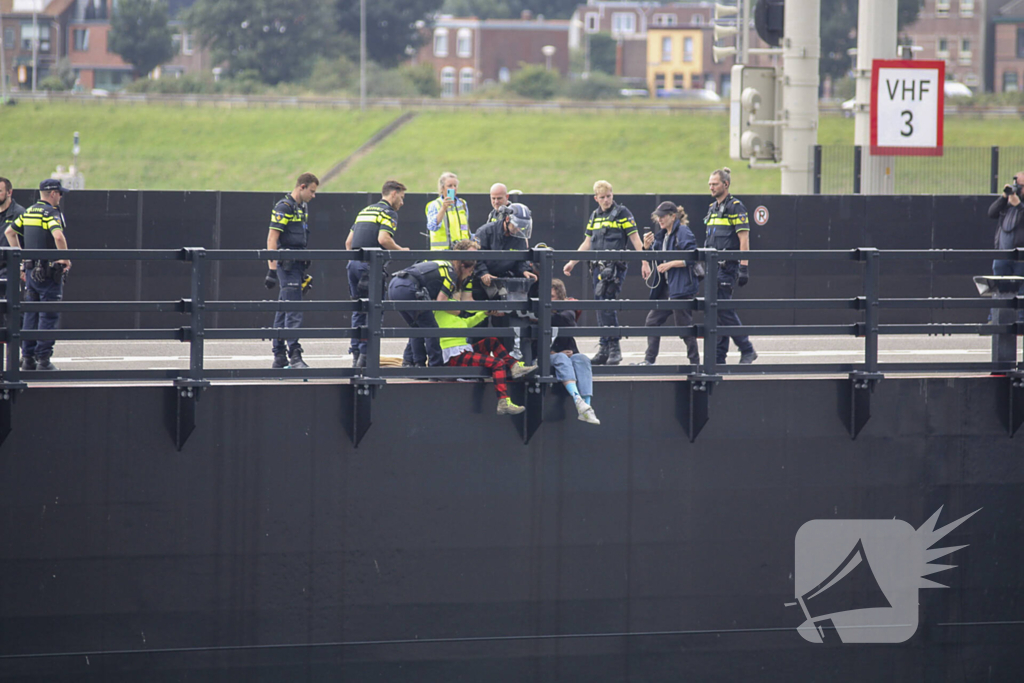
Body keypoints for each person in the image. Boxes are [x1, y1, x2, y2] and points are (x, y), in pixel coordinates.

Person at [563, 180, 643, 366]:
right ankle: (604, 348)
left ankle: (614, 348)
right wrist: (572, 262)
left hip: (614, 267)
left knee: (607, 305)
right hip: (598, 268)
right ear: (596, 198)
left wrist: (645, 261)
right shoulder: (594, 215)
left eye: (609, 196)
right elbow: (587, 242)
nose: (606, 200)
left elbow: (634, 238)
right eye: (602, 197)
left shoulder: (623, 213)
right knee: (600, 306)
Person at [347, 179, 409, 368]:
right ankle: (366, 357)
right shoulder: (388, 212)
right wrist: (401, 251)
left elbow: (349, 243)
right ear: (393, 193)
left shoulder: (365, 211)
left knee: (358, 310)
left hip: (353, 265)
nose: (402, 202)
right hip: (369, 268)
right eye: (402, 197)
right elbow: (383, 238)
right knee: (374, 312)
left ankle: (356, 354)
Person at [10, 179, 71, 371]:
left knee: (30, 315)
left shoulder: (28, 211)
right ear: (53, 193)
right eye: (60, 193)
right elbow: (58, 236)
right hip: (49, 273)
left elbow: (10, 232)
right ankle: (43, 359)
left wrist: (21, 259)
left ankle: (27, 358)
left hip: (30, 272)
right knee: (48, 316)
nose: (61, 196)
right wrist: (65, 259)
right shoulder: (51, 213)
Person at [389, 239, 477, 368]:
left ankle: (414, 364)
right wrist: (461, 312)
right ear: (463, 266)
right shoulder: (451, 272)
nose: (469, 275)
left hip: (394, 285)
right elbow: (442, 302)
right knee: (432, 330)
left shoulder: (441, 262)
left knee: (417, 327)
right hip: (410, 288)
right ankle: (436, 368)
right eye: (470, 272)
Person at [434, 307, 537, 416]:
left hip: (463, 349)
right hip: (453, 355)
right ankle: (503, 402)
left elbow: (465, 323)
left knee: (492, 341)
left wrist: (484, 313)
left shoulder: (453, 311)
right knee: (498, 363)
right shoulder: (440, 307)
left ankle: (514, 366)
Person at [637, 201, 701, 367]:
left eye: (663, 216)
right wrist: (646, 247)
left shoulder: (683, 232)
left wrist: (670, 264)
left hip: (681, 288)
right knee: (652, 321)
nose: (660, 219)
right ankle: (649, 360)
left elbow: (692, 257)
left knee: (684, 328)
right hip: (668, 288)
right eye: (658, 216)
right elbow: (654, 256)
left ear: (673, 216)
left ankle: (695, 363)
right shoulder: (664, 235)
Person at [265, 172, 318, 369]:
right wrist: (271, 270)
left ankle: (279, 355)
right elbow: (272, 238)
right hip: (286, 264)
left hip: (297, 264)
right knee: (293, 309)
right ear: (302, 187)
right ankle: (294, 354)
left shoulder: (302, 207)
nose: (314, 195)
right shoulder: (284, 207)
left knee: (283, 308)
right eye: (312, 191)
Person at [704, 167, 757, 365]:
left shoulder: (736, 207)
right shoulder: (713, 208)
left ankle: (747, 348)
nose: (711, 187)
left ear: (725, 184)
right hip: (713, 269)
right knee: (716, 313)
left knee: (723, 310)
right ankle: (718, 358)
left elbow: (744, 238)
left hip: (727, 268)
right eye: (709, 184)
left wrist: (744, 266)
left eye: (715, 184)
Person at [473, 202, 537, 359]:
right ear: (507, 219)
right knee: (477, 323)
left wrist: (524, 271)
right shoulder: (485, 232)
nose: (519, 229)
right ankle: (476, 361)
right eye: (517, 225)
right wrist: (483, 274)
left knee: (503, 322)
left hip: (502, 284)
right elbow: (475, 257)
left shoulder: (519, 237)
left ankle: (504, 361)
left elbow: (521, 260)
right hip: (481, 283)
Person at [549, 278, 600, 425]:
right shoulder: (537, 312)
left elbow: (568, 319)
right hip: (547, 356)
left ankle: (586, 407)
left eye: (552, 297)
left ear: (561, 298)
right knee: (561, 358)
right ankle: (577, 399)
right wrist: (552, 353)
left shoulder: (566, 309)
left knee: (582, 358)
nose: (549, 300)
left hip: (567, 353)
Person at [988, 171, 1024, 319]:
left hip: (1021, 256)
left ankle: (1021, 321)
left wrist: (1020, 206)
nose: (1017, 189)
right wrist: (1004, 197)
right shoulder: (1007, 204)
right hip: (1002, 254)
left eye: (1020, 186)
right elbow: (991, 213)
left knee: (1021, 290)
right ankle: (996, 319)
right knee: (999, 289)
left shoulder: (1019, 206)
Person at [1, 178, 26, 347]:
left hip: (10, 270)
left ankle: (22, 351)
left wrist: (22, 266)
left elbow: (26, 243)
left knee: (14, 311)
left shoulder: (19, 213)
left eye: (0, 191)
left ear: (9, 192)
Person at [426, 172, 471, 250]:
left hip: (462, 252)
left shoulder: (462, 204)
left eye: (455, 186)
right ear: (442, 188)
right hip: (442, 253)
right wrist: (443, 209)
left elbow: (466, 228)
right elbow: (432, 227)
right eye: (450, 186)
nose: (453, 188)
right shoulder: (435, 205)